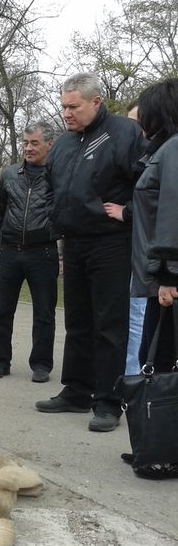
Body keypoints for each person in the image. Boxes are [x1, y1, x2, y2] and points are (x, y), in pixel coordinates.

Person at [34, 72, 147, 432]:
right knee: (77, 320)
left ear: (96, 102)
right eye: (63, 106)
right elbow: (51, 188)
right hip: (75, 241)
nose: (66, 113)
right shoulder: (65, 143)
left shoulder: (125, 133)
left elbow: (145, 182)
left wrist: (125, 211)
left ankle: (109, 401)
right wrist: (57, 223)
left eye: (73, 106)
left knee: (110, 324)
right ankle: (77, 390)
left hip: (111, 241)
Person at [0, 121, 58, 383]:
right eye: (26, 142)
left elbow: (67, 213)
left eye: (34, 143)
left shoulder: (58, 174)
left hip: (44, 252)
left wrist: (63, 251)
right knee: (1, 311)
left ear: (49, 144)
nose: (28, 148)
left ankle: (41, 364)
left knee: (44, 312)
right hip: (10, 252)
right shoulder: (9, 174)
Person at [132, 79, 178, 374]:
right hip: (161, 277)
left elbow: (172, 213)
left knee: (158, 363)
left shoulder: (173, 150)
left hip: (167, 280)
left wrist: (168, 276)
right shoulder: (163, 150)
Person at [124, 100, 148, 374]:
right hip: (123, 247)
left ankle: (133, 379)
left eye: (140, 124)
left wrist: (127, 212)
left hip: (148, 253)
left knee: (137, 316)